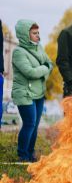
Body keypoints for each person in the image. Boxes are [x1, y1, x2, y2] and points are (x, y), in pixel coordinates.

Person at [11, 20, 53, 162]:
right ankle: (22, 155)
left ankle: (30, 153)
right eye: (34, 33)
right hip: (24, 93)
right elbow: (30, 72)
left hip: (39, 93)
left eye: (38, 33)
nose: (38, 36)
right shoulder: (18, 52)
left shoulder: (39, 47)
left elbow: (50, 63)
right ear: (25, 35)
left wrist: (44, 69)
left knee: (34, 125)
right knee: (29, 123)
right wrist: (45, 69)